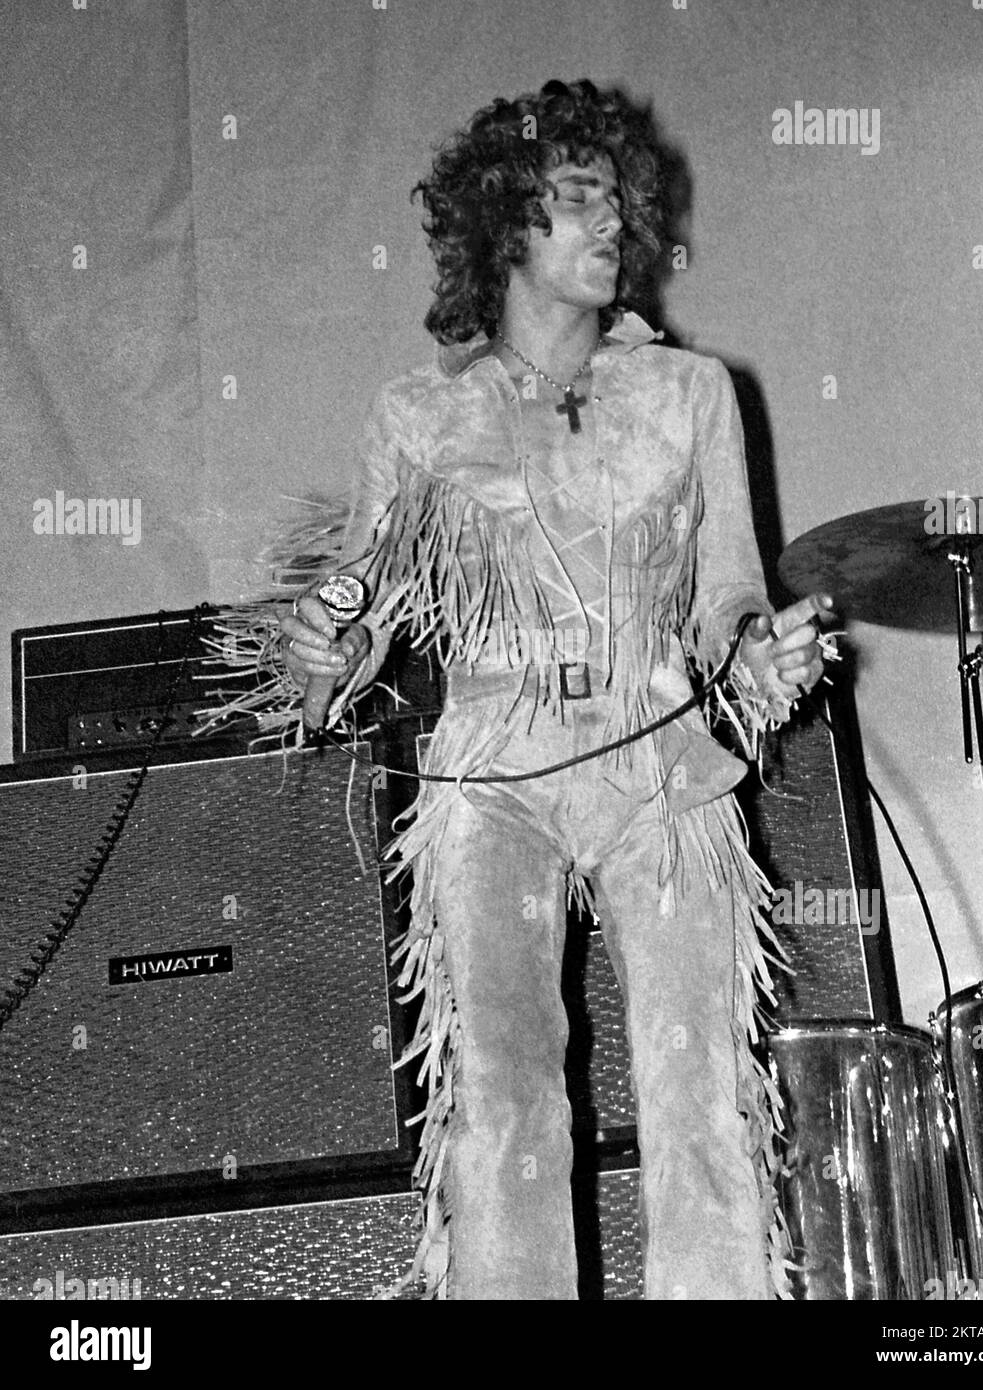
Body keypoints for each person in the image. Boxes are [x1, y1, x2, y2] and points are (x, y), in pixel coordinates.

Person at [265, 79, 830, 1300]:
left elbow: (728, 595)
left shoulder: (689, 394)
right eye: (579, 202)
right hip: (492, 769)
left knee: (702, 1099)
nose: (612, 224)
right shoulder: (419, 415)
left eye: (619, 204)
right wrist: (318, 652)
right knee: (505, 1104)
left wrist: (756, 654)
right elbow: (356, 611)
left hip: (656, 750)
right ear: (505, 225)